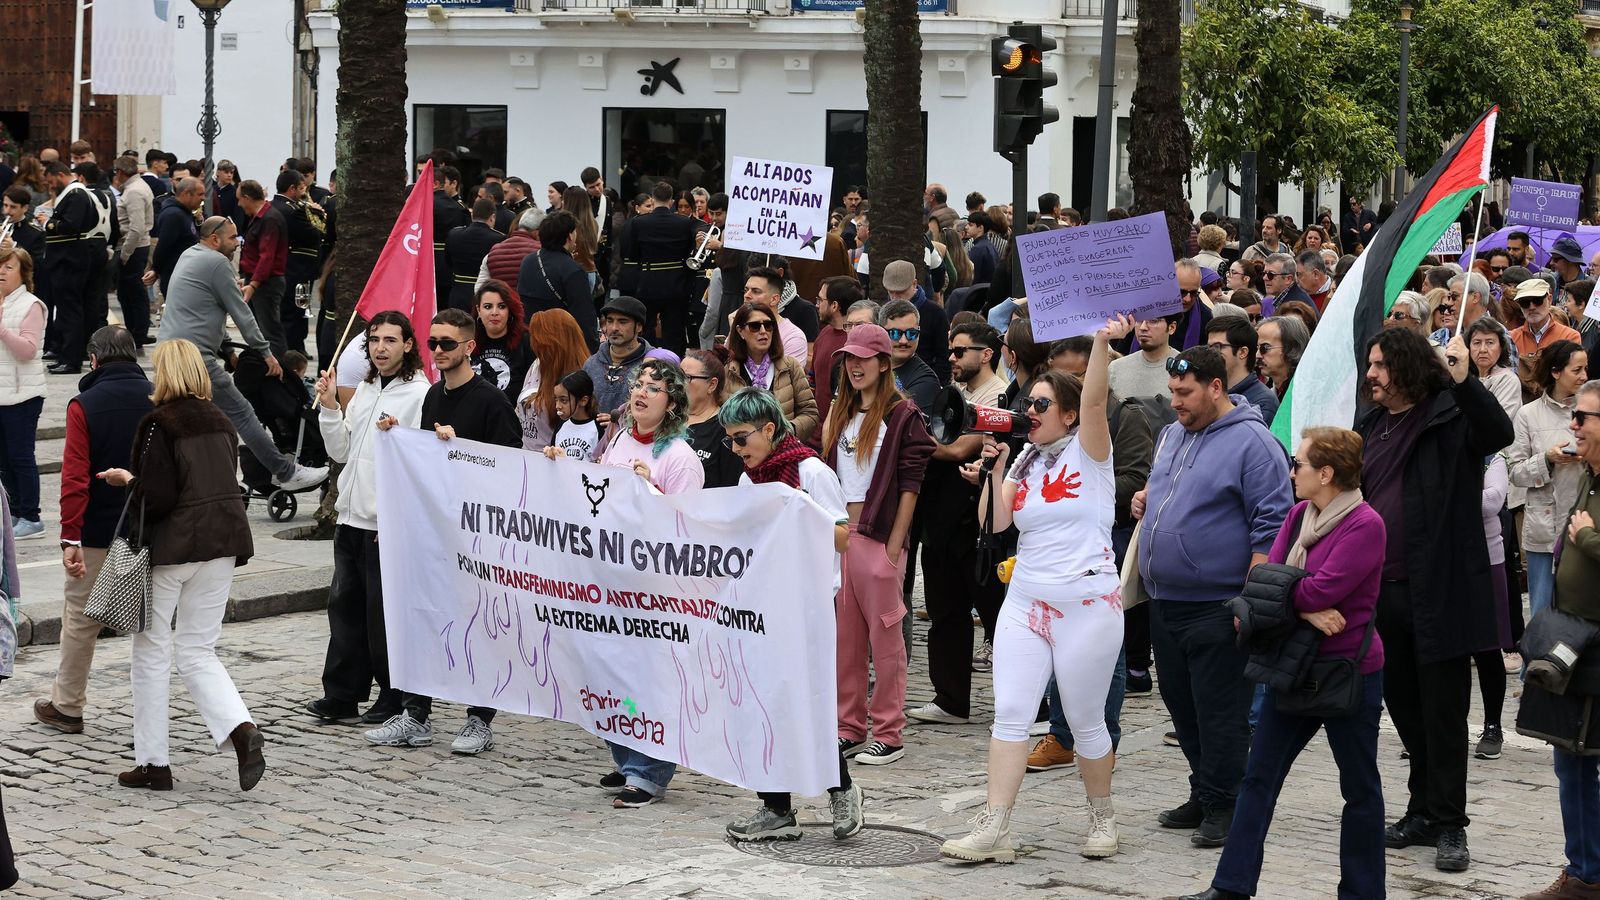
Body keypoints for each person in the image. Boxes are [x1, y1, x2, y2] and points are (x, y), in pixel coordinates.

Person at [940, 317, 1130, 863]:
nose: (1032, 413)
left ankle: (1102, 814)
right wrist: (997, 472)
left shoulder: (1091, 451)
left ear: (1068, 415)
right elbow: (997, 524)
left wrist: (1100, 343)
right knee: (1011, 713)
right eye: (1030, 405)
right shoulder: (1024, 456)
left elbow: (1095, 402)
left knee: (1086, 719)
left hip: (1086, 603)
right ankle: (995, 825)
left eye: (1043, 406)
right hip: (1026, 600)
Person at [1175, 427, 1387, 900]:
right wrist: (1302, 604)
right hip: (1290, 666)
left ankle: (1363, 893)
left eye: (1300, 463)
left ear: (1327, 473)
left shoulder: (1365, 524)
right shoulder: (1297, 515)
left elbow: (1315, 589)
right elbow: (1264, 584)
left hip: (1345, 672)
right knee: (1259, 779)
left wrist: (1291, 595)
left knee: (1360, 790)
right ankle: (1230, 887)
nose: (1292, 471)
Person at [1356, 328, 1512, 872]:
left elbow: (1499, 430)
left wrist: (1465, 381)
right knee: (1406, 711)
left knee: (1444, 715)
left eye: (1379, 365)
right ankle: (1421, 810)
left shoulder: (1450, 416)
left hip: (1440, 593)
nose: (1370, 374)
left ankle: (1451, 826)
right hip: (1382, 596)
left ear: (1402, 368)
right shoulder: (1371, 424)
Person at [1131, 345, 1294, 847]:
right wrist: (1148, 501)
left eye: (1185, 393)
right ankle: (1205, 789)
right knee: (1184, 709)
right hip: (1166, 600)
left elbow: (1272, 526)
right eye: (1172, 392)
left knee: (1220, 712)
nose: (1175, 402)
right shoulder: (1170, 434)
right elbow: (1172, 491)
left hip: (1219, 604)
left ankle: (1228, 804)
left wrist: (1251, 601)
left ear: (1216, 387)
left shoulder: (1253, 443)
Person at [97, 339, 265, 793]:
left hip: (174, 549)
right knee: (198, 649)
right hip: (224, 542)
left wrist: (126, 479)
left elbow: (159, 495)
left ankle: (153, 763)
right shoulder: (222, 421)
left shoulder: (160, 424)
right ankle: (240, 728)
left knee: (152, 651)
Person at [546, 358, 704, 807]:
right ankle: (626, 755)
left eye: (654, 387)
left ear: (671, 401)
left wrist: (650, 490)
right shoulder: (615, 440)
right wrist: (561, 472)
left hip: (652, 591)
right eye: (639, 384)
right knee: (613, 676)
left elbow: (685, 529)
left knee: (647, 680)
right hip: (608, 581)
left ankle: (649, 772)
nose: (641, 392)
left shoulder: (679, 458)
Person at [364, 308, 521, 755]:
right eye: (432, 343)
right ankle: (415, 714)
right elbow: (424, 466)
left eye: (446, 344)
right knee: (428, 618)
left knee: (480, 626)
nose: (437, 351)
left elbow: (510, 467)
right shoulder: (433, 397)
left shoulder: (491, 401)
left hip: (478, 535)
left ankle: (480, 719)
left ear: (469, 347)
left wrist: (462, 450)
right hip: (436, 531)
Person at [717, 387, 865, 842]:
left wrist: (800, 510)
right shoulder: (750, 479)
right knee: (763, 704)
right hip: (763, 602)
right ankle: (775, 807)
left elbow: (843, 538)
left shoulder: (810, 472)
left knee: (807, 701)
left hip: (808, 604)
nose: (737, 450)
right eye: (730, 442)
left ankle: (842, 791)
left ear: (768, 428)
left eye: (742, 439)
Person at [304, 311, 429, 727]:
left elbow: (419, 465)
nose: (380, 348)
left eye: (390, 340)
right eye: (374, 340)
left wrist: (397, 520)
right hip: (350, 517)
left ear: (408, 345)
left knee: (383, 615)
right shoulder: (366, 388)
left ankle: (393, 695)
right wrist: (327, 410)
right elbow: (342, 451)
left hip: (384, 524)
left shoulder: (419, 394)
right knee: (344, 610)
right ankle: (341, 694)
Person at [32, 326, 151, 735]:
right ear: (133, 356)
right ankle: (152, 715)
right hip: (155, 522)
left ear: (94, 360)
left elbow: (75, 477)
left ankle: (67, 706)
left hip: (101, 528)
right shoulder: (160, 397)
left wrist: (71, 537)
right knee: (154, 620)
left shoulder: (85, 404)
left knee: (81, 619)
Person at [826, 324, 934, 766]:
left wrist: (894, 546)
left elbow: (912, 482)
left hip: (878, 539)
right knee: (845, 642)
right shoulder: (840, 409)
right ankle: (848, 728)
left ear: (883, 363)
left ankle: (889, 731)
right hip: (839, 538)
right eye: (849, 359)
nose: (854, 366)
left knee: (886, 643)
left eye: (863, 359)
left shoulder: (902, 414)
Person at [158, 216, 327, 493]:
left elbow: (201, 310)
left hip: (168, 355)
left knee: (183, 420)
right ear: (214, 239)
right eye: (232, 237)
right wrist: (266, 353)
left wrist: (226, 348)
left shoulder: (190, 255)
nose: (238, 243)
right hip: (194, 358)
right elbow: (242, 313)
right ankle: (285, 472)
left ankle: (191, 477)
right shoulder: (216, 263)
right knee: (243, 413)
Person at [907, 322, 1008, 723]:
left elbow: (957, 448)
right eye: (950, 349)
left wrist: (908, 434)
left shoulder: (998, 395)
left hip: (977, 523)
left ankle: (1029, 703)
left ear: (987, 354)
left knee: (997, 614)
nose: (951, 357)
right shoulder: (958, 393)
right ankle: (950, 699)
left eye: (961, 351)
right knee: (945, 611)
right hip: (944, 519)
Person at [1523, 379, 1600, 899]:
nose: (1573, 426)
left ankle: (1587, 876)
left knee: (1579, 761)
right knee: (1569, 758)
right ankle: (1583, 871)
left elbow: (1586, 537)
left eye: (1585, 417)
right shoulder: (1589, 476)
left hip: (1595, 646)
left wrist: (1585, 538)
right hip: (1575, 642)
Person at [1509, 340, 1588, 621]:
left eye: (1585, 369)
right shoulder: (1527, 415)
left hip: (1586, 526)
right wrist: (1547, 459)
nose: (1584, 376)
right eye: (1577, 369)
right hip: (1543, 525)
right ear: (1556, 372)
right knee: (1542, 610)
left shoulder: (1592, 411)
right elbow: (1515, 472)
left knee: (1583, 610)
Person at [41, 161, 111, 374]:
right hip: (67, 260)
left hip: (68, 261)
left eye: (51, 181)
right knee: (67, 309)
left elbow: (71, 225)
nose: (51, 186)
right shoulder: (74, 195)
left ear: (60, 174)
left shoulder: (76, 195)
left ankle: (71, 360)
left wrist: (47, 223)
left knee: (69, 310)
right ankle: (67, 354)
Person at [619, 181, 702, 355]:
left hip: (649, 283)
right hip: (676, 284)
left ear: (653, 199)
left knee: (646, 329)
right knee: (675, 332)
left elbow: (632, 254)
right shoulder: (683, 223)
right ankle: (674, 367)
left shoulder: (639, 223)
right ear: (671, 201)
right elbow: (689, 252)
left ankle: (647, 363)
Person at [0, 247, 47, 540]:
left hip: (23, 395)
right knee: (3, 459)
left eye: (8, 267)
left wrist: (2, 330)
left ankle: (31, 516)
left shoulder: (31, 305)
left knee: (21, 456)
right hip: (1, 392)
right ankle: (14, 511)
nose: (2, 272)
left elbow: (28, 350)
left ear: (23, 273)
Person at [723, 302, 818, 441]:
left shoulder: (790, 366)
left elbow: (810, 413)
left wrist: (784, 433)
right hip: (740, 452)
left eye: (768, 325)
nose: (763, 331)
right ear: (740, 331)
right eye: (755, 326)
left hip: (783, 450)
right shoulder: (728, 370)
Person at [518, 211, 598, 352]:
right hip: (561, 344)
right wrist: (591, 350)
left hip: (531, 339)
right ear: (569, 236)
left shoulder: (527, 261)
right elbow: (585, 317)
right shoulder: (573, 270)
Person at [514, 308, 591, 452]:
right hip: (522, 457)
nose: (533, 344)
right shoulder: (537, 364)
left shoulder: (577, 378)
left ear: (553, 341)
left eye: (538, 338)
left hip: (553, 461)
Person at [682, 348, 744, 488]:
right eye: (677, 375)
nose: (678, 382)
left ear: (712, 385)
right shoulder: (669, 418)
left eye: (687, 378)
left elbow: (730, 486)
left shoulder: (726, 428)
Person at [582, 296, 653, 418]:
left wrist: (619, 424)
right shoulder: (591, 364)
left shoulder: (652, 364)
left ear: (639, 327)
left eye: (622, 321)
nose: (614, 328)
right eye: (610, 321)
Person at [110, 155, 154, 346]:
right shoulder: (137, 186)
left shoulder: (134, 191)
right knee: (129, 292)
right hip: (136, 245)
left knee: (132, 292)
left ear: (120, 172)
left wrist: (125, 254)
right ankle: (137, 332)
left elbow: (136, 228)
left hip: (133, 247)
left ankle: (137, 333)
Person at [1205, 314, 1278, 423]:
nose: (1210, 353)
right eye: (1208, 347)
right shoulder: (1209, 390)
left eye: (1217, 347)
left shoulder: (1263, 402)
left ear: (1243, 352)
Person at [471, 280, 532, 404]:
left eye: (501, 306)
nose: (495, 312)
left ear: (510, 310)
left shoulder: (526, 341)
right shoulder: (467, 340)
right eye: (488, 307)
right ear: (478, 309)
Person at [446, 198, 505, 313]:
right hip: (485, 293)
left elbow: (448, 262)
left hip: (458, 292)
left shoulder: (454, 234)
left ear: (472, 214)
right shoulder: (499, 238)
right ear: (492, 217)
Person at [1109, 314, 1179, 400]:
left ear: (1171, 327)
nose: (1143, 327)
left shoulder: (1184, 368)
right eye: (1139, 321)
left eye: (1153, 321)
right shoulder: (1116, 368)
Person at [549, 370, 601, 460]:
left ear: (583, 400)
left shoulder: (599, 426)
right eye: (556, 399)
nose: (558, 406)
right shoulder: (561, 424)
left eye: (564, 400)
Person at [1256, 314, 1308, 400]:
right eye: (1256, 348)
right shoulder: (1267, 389)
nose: (1257, 355)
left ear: (1291, 347)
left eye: (1264, 348)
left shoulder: (1303, 393)